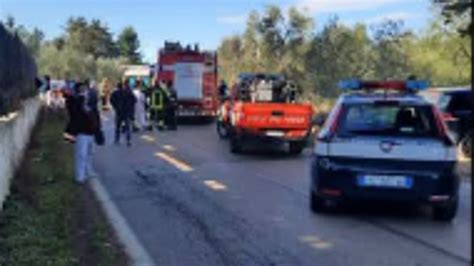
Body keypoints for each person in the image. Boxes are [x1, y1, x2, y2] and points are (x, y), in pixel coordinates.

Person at [65, 82, 101, 183]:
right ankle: (80, 176)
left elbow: (96, 115)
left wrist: (98, 130)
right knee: (81, 155)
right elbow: (73, 111)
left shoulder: (90, 103)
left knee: (90, 153)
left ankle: (88, 172)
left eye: (85, 89)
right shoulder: (74, 101)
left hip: (91, 132)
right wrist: (80, 98)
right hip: (81, 132)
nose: (84, 92)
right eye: (82, 90)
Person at [110, 81, 136, 146]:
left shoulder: (115, 93)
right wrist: (129, 107)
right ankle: (128, 140)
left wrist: (115, 107)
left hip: (118, 112)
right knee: (127, 127)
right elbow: (134, 100)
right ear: (122, 86)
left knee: (117, 127)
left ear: (117, 86)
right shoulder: (128, 92)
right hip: (126, 112)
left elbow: (111, 100)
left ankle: (117, 140)